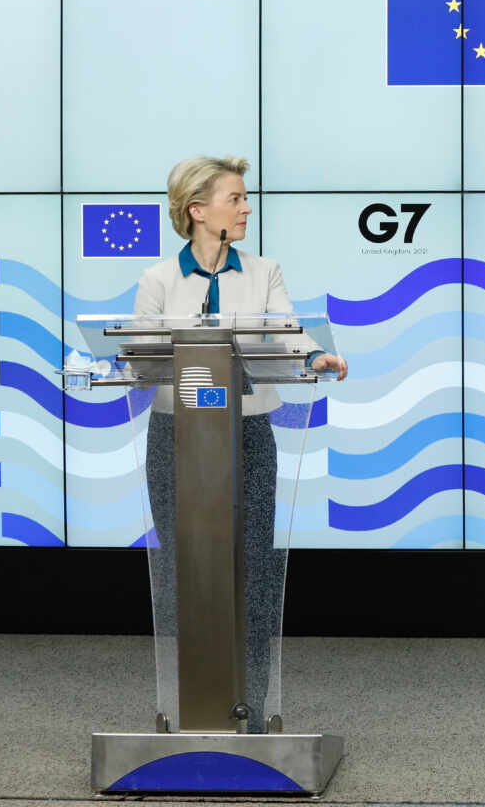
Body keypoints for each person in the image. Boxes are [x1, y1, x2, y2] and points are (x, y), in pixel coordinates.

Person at [133, 155, 347, 732]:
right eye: (236, 199)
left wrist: (314, 355)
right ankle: (191, 709)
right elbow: (141, 360)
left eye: (245, 198)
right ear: (198, 211)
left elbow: (287, 331)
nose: (247, 207)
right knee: (186, 568)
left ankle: (247, 709)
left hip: (248, 431)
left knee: (250, 565)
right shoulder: (158, 281)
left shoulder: (264, 271)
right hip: (174, 436)